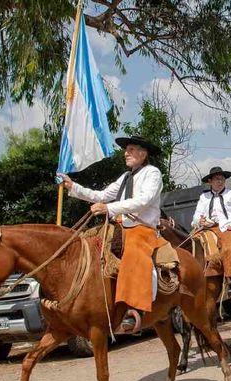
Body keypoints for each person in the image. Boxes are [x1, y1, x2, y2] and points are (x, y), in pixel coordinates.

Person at [58, 135, 164, 332]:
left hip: (142, 229)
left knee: (134, 256)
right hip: (119, 226)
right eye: (126, 150)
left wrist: (109, 209)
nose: (126, 153)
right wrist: (74, 187)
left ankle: (133, 309)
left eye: (131, 149)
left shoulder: (153, 173)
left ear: (143, 153)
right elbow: (101, 196)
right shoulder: (125, 177)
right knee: (87, 246)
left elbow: (144, 200)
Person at [192, 166, 231, 287]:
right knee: (190, 242)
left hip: (228, 229)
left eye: (222, 179)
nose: (220, 182)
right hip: (209, 228)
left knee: (229, 245)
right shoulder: (204, 197)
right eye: (217, 179)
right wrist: (200, 221)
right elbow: (196, 216)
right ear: (210, 181)